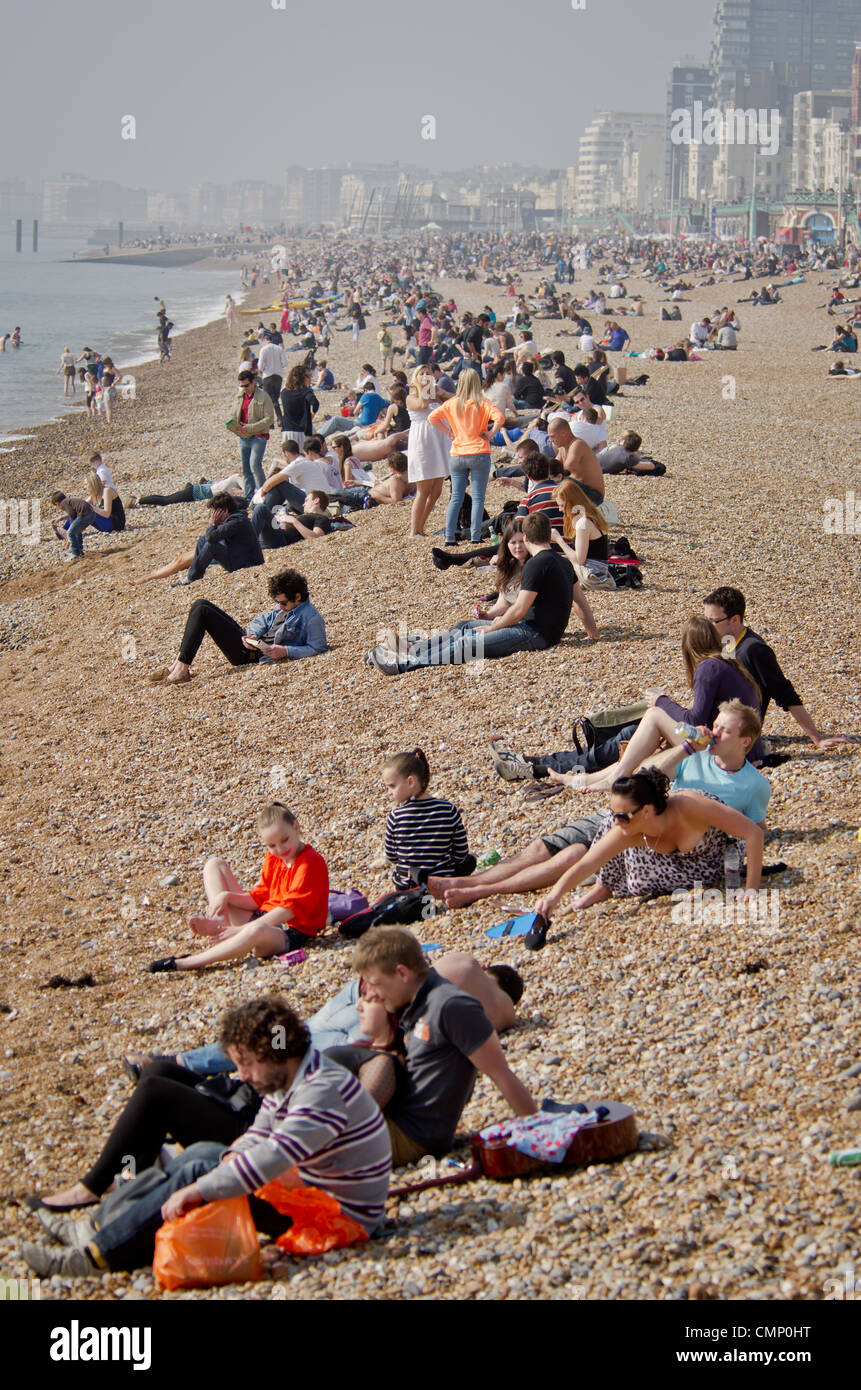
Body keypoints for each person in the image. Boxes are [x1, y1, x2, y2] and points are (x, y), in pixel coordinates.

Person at [20, 998, 391, 1276]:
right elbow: (259, 1132)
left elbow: (273, 1157)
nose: (242, 1075)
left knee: (199, 1169)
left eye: (246, 1063)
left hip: (339, 1218)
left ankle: (94, 1257)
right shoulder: (291, 1074)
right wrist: (230, 1157)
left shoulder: (320, 1089)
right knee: (204, 1156)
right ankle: (95, 1227)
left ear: (272, 1054)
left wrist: (199, 1189)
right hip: (313, 1196)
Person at [433, 701, 771, 911]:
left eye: (724, 731)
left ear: (745, 741)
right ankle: (469, 882)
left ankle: (482, 890)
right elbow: (648, 777)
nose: (714, 733)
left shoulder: (753, 785)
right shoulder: (694, 756)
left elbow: (755, 831)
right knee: (544, 847)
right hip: (636, 806)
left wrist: (747, 881)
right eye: (715, 725)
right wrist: (686, 749)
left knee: (570, 858)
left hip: (658, 828)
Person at [350, 928, 537, 1165]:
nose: (373, 993)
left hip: (409, 1136)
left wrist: (537, 1134)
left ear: (402, 973)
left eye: (377, 983)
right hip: (391, 1121)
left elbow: (501, 1073)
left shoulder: (451, 1006)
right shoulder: (412, 1003)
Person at [533, 767, 764, 932]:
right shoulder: (629, 829)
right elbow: (588, 863)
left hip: (714, 859)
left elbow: (753, 833)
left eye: (622, 816)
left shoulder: (692, 806)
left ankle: (609, 886)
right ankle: (603, 887)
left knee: (636, 879)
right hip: (674, 863)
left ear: (646, 810)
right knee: (610, 837)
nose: (617, 822)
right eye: (614, 814)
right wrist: (553, 897)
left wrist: (751, 888)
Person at [365, 511, 597, 672]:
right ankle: (410, 650)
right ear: (549, 535)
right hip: (533, 630)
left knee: (470, 641)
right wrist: (592, 636)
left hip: (533, 634)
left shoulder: (538, 564)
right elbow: (581, 604)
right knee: (467, 628)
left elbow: (519, 609)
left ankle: (406, 663)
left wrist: (494, 626)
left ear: (526, 539)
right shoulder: (564, 562)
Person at [148, 803, 329, 973]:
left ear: (296, 827)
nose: (280, 849)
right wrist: (227, 897)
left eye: (284, 840)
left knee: (256, 930)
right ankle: (221, 923)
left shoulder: (309, 862)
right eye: (272, 845)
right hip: (262, 916)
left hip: (289, 932)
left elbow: (288, 912)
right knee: (214, 864)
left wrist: (241, 930)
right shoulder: (275, 857)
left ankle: (186, 962)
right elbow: (259, 897)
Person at [702, 586, 856, 751]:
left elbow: (785, 693)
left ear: (735, 620)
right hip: (716, 719)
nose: (707, 626)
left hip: (732, 730)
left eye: (714, 621)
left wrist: (817, 738)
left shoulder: (754, 650)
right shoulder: (726, 639)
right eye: (706, 619)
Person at [154, 567, 328, 685]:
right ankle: (177, 665)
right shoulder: (287, 605)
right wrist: (253, 634)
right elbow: (263, 620)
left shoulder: (312, 618)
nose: (280, 606)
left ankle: (182, 668)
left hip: (252, 656)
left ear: (298, 596)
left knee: (203, 613)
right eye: (277, 602)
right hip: (253, 644)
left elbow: (318, 647)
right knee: (200, 604)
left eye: (282, 602)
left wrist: (285, 651)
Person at [428, 369, 504, 545]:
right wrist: (491, 433)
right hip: (479, 452)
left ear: (460, 383)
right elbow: (500, 417)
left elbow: (432, 418)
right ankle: (475, 537)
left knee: (456, 497)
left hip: (458, 453)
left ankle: (450, 537)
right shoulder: (483, 403)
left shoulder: (452, 403)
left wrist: (449, 432)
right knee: (478, 498)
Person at [380, 748, 473, 890]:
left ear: (411, 782)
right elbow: (460, 852)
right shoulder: (447, 809)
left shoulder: (396, 816)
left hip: (408, 885)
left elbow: (392, 856)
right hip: (443, 881)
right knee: (470, 861)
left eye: (392, 786)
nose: (389, 793)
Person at [129, 493, 263, 587]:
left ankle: (192, 577)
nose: (213, 516)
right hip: (240, 557)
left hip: (248, 563)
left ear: (225, 511)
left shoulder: (236, 521)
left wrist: (213, 524)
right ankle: (195, 571)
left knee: (210, 545)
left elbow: (212, 537)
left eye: (215, 512)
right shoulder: (235, 517)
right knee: (202, 540)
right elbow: (210, 537)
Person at [406, 364, 451, 539]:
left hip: (438, 442)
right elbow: (422, 405)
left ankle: (421, 527)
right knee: (423, 489)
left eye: (428, 373)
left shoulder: (436, 396)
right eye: (421, 374)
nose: (425, 376)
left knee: (436, 490)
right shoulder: (411, 397)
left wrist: (441, 392)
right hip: (423, 443)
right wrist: (421, 387)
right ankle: (413, 530)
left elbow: (457, 400)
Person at [231, 366, 275, 501]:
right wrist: (234, 425)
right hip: (243, 436)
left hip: (258, 436)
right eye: (242, 386)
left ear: (253, 382)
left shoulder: (264, 396)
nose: (244, 388)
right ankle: (249, 496)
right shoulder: (239, 396)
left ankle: (263, 493)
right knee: (245, 468)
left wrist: (249, 428)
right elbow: (233, 414)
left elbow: (269, 419)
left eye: (246, 385)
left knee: (255, 465)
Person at [546, 416, 605, 504]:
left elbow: (567, 469)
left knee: (563, 481)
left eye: (552, 436)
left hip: (594, 495)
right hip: (581, 490)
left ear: (563, 433)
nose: (550, 440)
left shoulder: (577, 444)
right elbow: (553, 466)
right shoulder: (563, 448)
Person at [253, 490, 332, 550]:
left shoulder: (321, 518)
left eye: (306, 500)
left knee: (261, 508)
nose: (303, 504)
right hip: (268, 536)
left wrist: (294, 521)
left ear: (316, 500)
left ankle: (249, 540)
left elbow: (316, 537)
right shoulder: (302, 516)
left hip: (280, 539)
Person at [139, 472, 245, 507]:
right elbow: (247, 491)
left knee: (167, 499)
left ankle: (189, 486)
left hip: (199, 490)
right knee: (166, 500)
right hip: (195, 492)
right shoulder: (236, 478)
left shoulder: (232, 481)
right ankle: (139, 501)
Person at [279, 363, 318, 449]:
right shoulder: (305, 391)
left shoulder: (284, 392)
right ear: (301, 378)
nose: (310, 378)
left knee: (290, 457)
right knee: (306, 456)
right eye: (308, 376)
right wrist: (313, 413)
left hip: (287, 429)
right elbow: (315, 403)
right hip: (302, 430)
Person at [85, 452, 126, 533]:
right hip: (110, 521)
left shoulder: (102, 472)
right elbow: (83, 504)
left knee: (87, 511)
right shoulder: (101, 469)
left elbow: (103, 482)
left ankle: (69, 530)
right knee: (83, 510)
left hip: (115, 524)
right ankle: (68, 529)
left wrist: (91, 507)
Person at [50, 491, 95, 562]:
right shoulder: (69, 501)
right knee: (77, 531)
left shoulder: (64, 503)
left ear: (57, 503)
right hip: (91, 514)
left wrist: (71, 528)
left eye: (57, 506)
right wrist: (61, 518)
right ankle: (80, 550)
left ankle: (76, 553)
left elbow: (71, 514)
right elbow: (72, 514)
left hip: (85, 514)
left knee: (70, 533)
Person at [258, 333, 287, 428]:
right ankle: (279, 418)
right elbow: (285, 363)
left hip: (268, 375)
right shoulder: (279, 348)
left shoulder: (264, 349)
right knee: (275, 398)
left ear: (265, 340)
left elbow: (260, 365)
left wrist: (263, 370)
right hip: (278, 375)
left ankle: (272, 422)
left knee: (269, 400)